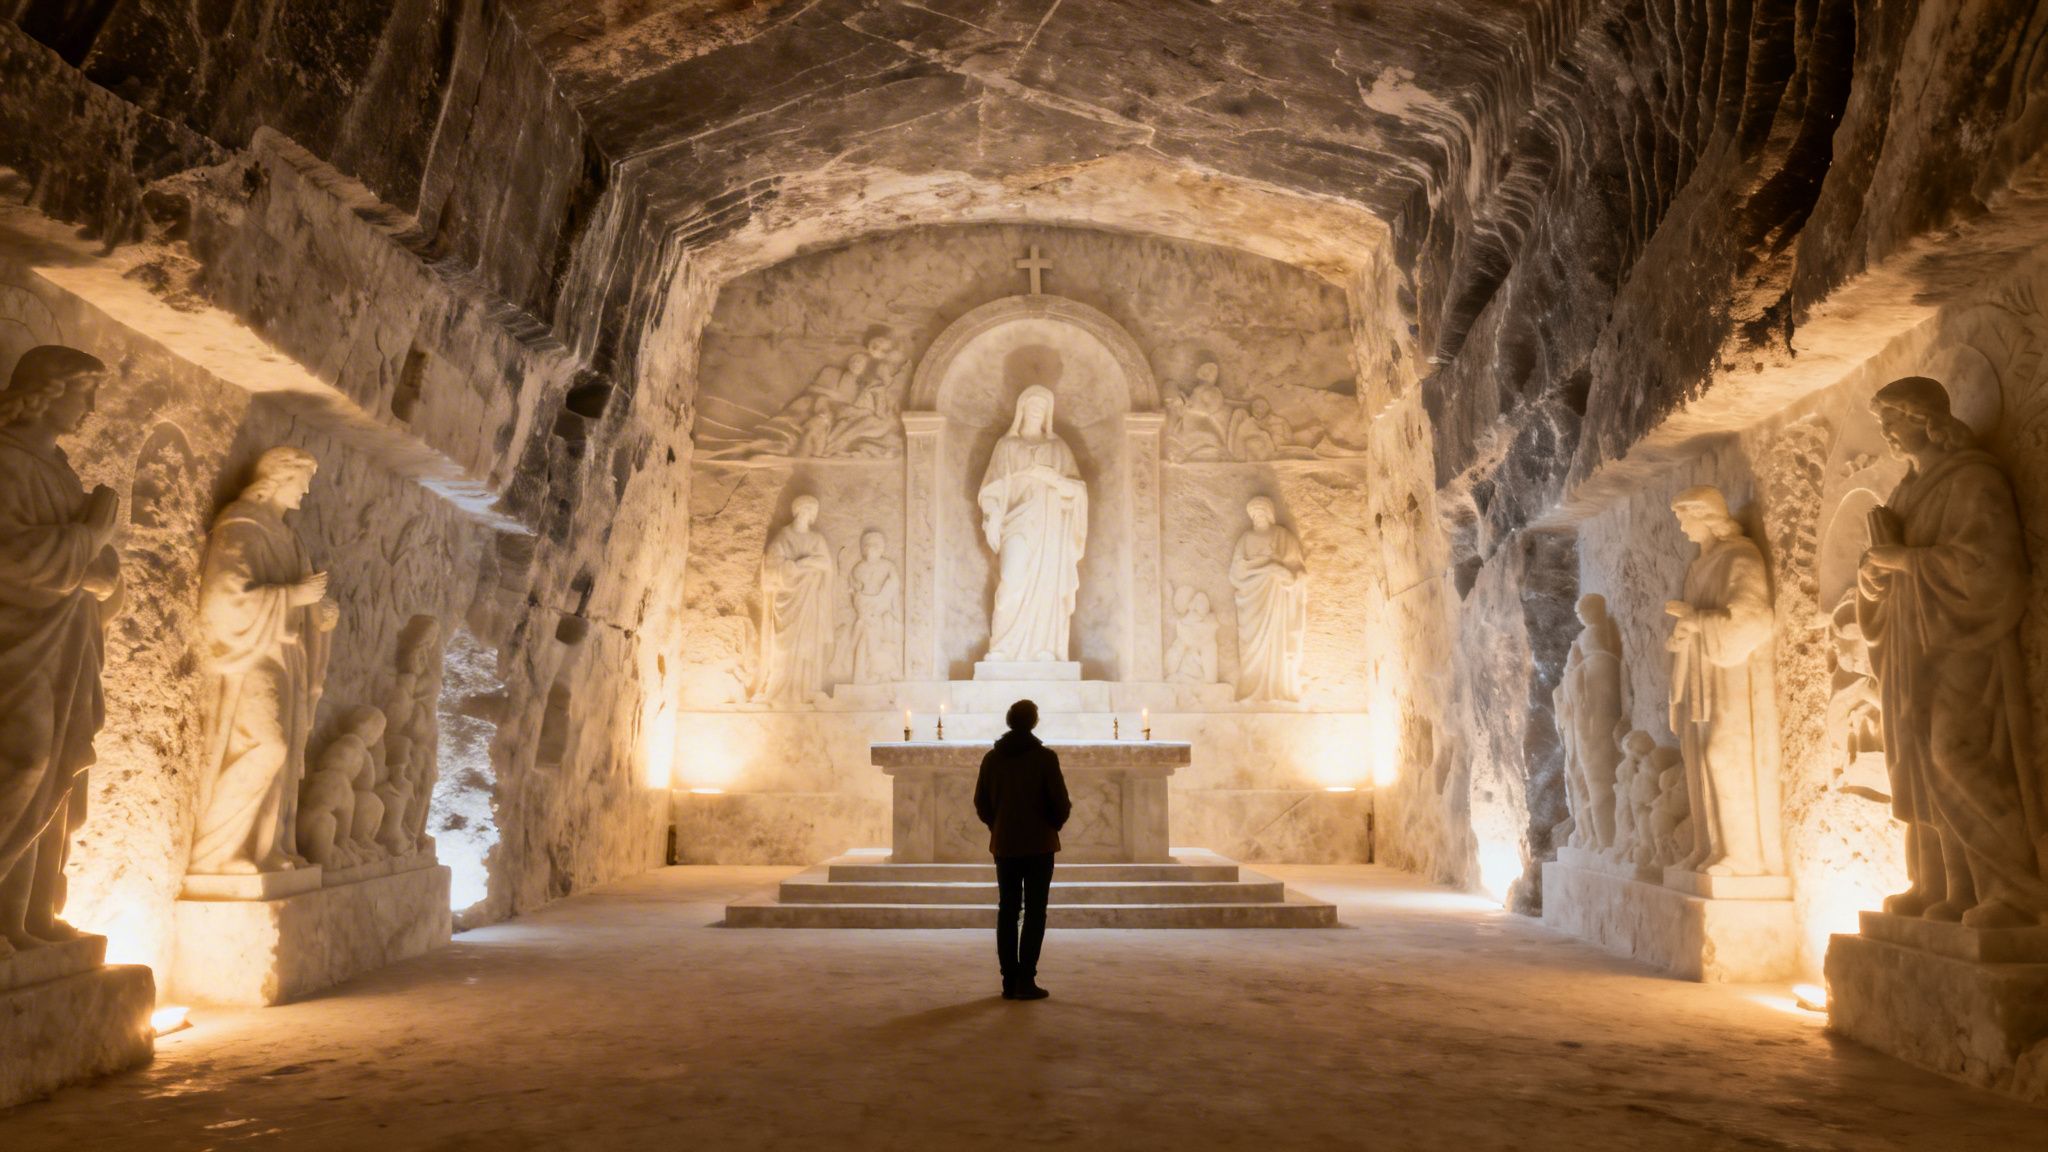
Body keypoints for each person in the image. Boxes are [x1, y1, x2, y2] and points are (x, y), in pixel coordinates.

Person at [973, 699, 1070, 1001]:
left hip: (1006, 843)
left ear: (1009, 721)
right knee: (1035, 911)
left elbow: (981, 803)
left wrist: (998, 825)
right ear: (1034, 722)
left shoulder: (992, 759)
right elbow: (1060, 803)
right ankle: (1026, 979)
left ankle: (1008, 981)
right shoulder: (1044, 758)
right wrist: (1050, 824)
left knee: (1008, 910)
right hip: (1040, 844)